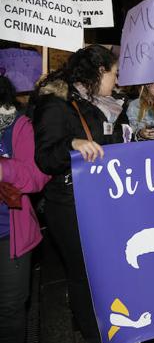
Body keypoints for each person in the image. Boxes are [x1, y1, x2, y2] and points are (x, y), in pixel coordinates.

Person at [32, 45, 127, 343]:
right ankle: (92, 333)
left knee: (107, 268)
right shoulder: (56, 105)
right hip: (70, 204)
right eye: (114, 74)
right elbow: (45, 158)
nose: (117, 80)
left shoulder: (109, 104)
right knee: (84, 274)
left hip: (104, 200)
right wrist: (71, 144)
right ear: (99, 72)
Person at [0, 74, 49, 343]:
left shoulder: (17, 126)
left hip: (9, 235)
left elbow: (36, 176)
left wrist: (3, 168)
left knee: (9, 310)